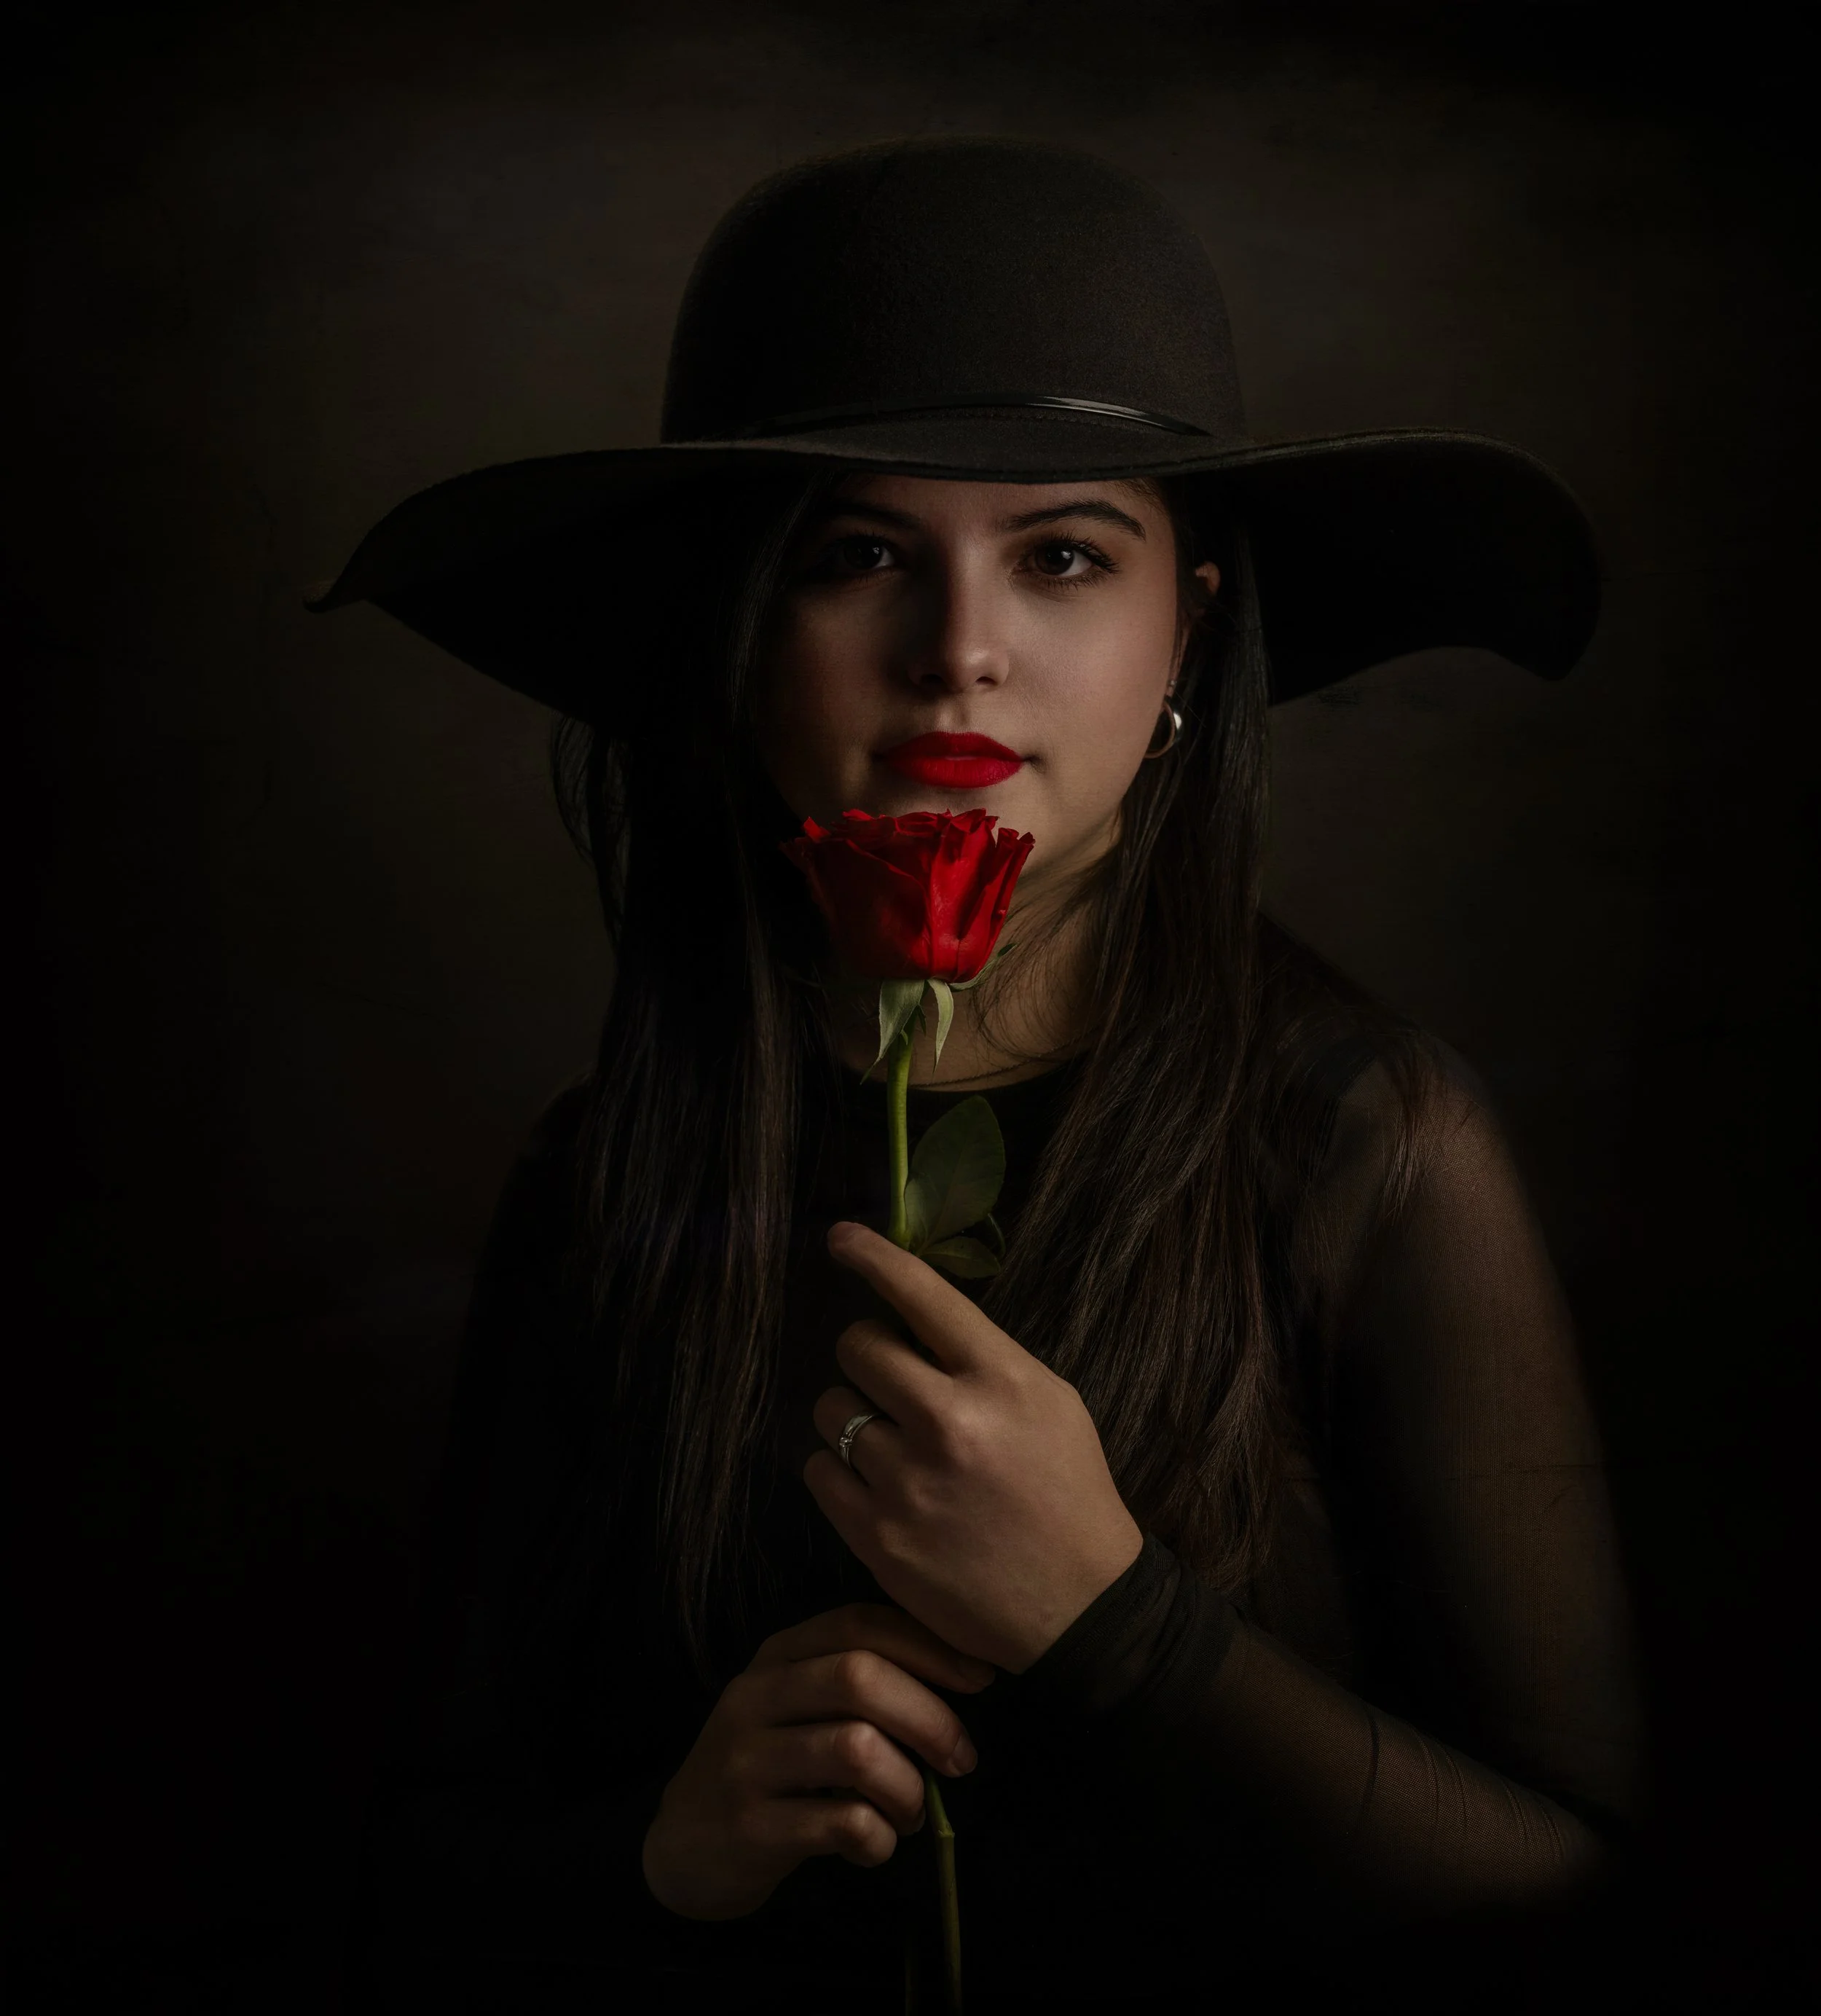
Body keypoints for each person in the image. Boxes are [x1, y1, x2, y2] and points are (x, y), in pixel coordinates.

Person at [312, 138, 1641, 2013]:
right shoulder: (605, 1176)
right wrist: (667, 1855)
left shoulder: (1364, 1142)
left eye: (1064, 555)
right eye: (857, 555)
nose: (959, 654)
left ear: (1185, 626)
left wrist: (1106, 1623)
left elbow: (1577, 1906)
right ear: (739, 636)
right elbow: (413, 1901)